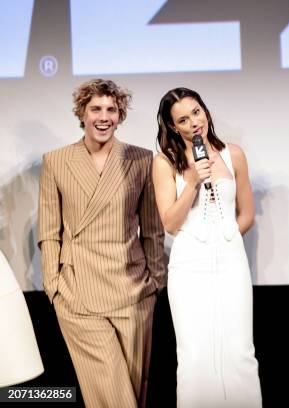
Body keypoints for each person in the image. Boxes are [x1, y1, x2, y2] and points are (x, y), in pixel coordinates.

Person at [37, 79, 166, 407]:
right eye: (96, 109)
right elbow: (49, 231)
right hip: (79, 292)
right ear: (82, 113)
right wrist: (54, 285)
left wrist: (156, 282)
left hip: (133, 291)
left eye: (111, 109)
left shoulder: (140, 159)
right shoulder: (56, 161)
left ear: (120, 115)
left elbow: (152, 229)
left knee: (134, 390)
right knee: (113, 391)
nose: (104, 116)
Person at [152, 87, 261, 407]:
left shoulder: (233, 154)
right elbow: (169, 223)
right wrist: (192, 183)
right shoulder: (164, 162)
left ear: (206, 112)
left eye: (196, 112)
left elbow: (247, 214)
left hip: (230, 260)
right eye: (183, 119)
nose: (194, 122)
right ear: (174, 127)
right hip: (189, 265)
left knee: (240, 349)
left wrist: (225, 238)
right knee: (195, 353)